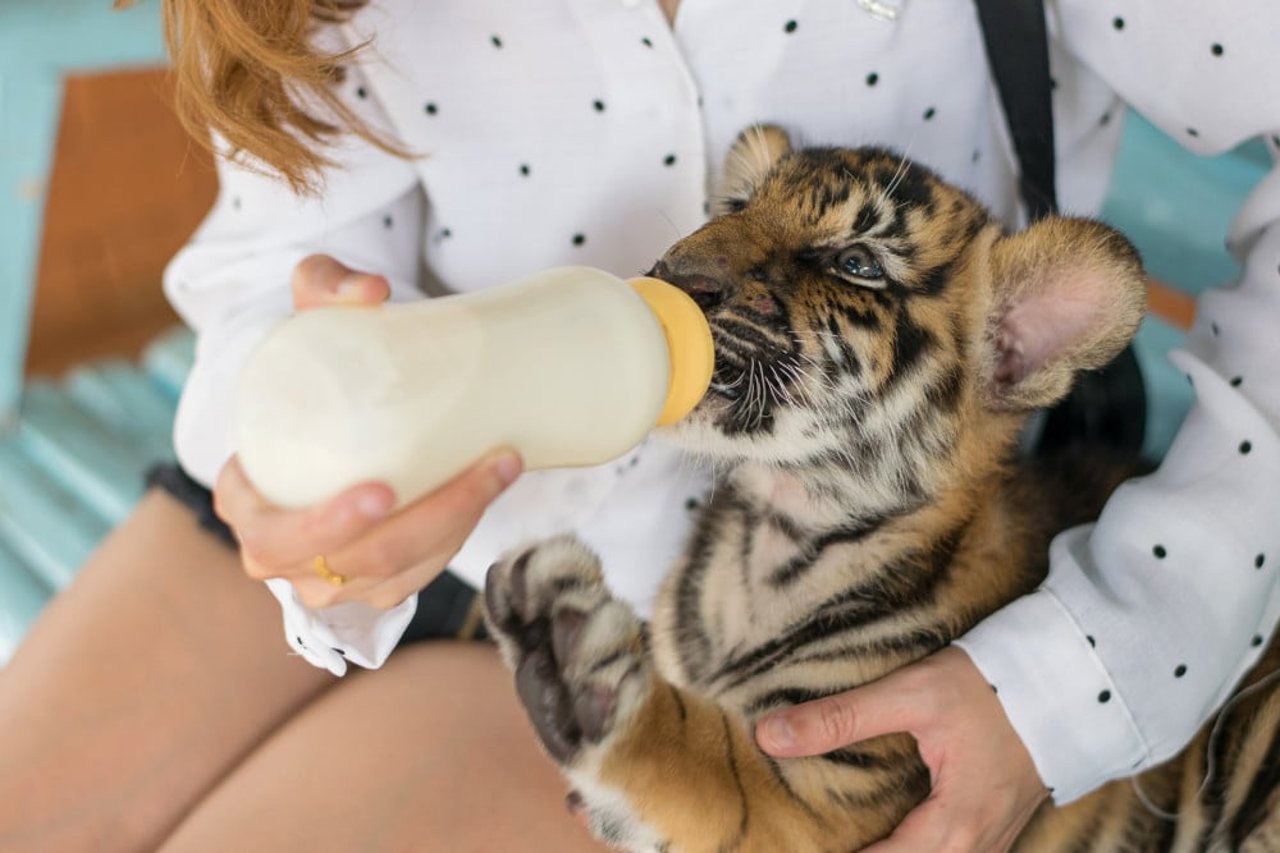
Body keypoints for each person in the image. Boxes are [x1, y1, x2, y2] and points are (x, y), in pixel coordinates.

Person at [0, 1, 1276, 850]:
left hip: (716, 641)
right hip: (381, 460)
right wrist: (280, 467)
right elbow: (283, 235)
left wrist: (1097, 659)